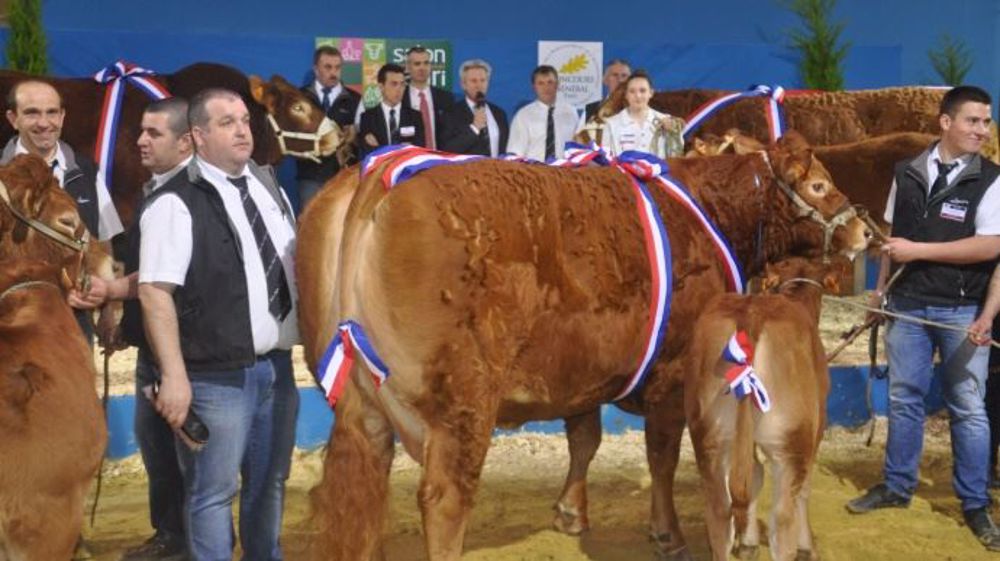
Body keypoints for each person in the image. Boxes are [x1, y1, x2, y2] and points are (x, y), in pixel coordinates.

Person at [138, 88, 300, 560]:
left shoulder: (269, 187)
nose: (242, 130)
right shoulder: (175, 201)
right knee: (212, 492)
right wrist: (173, 377)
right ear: (197, 136)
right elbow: (154, 292)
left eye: (245, 120)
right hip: (214, 378)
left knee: (269, 483)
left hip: (277, 368)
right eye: (227, 122)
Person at [849, 85, 1000, 551]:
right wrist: (879, 293)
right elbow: (895, 238)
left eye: (986, 121)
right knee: (904, 399)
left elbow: (991, 246)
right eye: (973, 120)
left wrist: (922, 251)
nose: (982, 130)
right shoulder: (907, 172)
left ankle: (975, 505)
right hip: (907, 307)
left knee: (968, 408)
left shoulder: (992, 178)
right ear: (945, 123)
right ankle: (897, 487)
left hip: (962, 310)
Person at [78, 98, 194, 561]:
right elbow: (150, 272)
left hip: (188, 351)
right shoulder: (152, 191)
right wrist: (110, 293)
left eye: (153, 133)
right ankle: (170, 536)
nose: (140, 141)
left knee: (194, 462)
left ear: (186, 140)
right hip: (152, 346)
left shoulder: (200, 194)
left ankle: (198, 543)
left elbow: (170, 281)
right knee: (159, 454)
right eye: (140, 132)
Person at [2, 79, 108, 342]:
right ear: (12, 118)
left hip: (73, 327)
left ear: (62, 116)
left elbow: (104, 242)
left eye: (51, 112)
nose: (44, 122)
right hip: (9, 328)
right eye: (32, 113)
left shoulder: (87, 172)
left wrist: (106, 305)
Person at [296, 45, 361, 209]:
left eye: (338, 67)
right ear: (316, 69)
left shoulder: (355, 100)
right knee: (310, 226)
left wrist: (354, 135)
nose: (334, 72)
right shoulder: (300, 98)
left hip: (343, 177)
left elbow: (364, 140)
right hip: (310, 177)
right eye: (328, 67)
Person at [600, 71, 684, 159]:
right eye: (632, 91)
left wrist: (673, 133)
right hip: (622, 172)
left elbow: (677, 155)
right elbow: (607, 160)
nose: (638, 96)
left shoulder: (666, 120)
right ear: (626, 95)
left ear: (651, 93)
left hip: (658, 172)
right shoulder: (611, 124)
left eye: (642, 91)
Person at [506, 65, 580, 161]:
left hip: (565, 172)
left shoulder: (571, 112)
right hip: (534, 173)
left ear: (557, 85)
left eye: (550, 82)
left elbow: (579, 148)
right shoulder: (523, 115)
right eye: (541, 83)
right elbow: (515, 152)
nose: (546, 87)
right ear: (534, 87)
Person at [440, 59, 508, 157]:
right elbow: (447, 149)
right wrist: (474, 128)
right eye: (473, 81)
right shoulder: (451, 114)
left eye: (483, 80)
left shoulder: (499, 113)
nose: (479, 85)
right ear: (463, 85)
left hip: (496, 170)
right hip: (466, 171)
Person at [358, 63, 425, 157]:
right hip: (380, 170)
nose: (399, 89)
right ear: (381, 87)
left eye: (402, 84)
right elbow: (368, 154)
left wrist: (381, 148)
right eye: (394, 84)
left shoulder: (415, 116)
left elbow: (418, 151)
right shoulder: (367, 118)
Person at [403, 45, 454, 151]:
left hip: (441, 161)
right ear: (407, 67)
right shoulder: (400, 98)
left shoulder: (446, 98)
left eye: (426, 63)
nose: (422, 68)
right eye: (417, 64)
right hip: (411, 161)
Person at [581, 58, 631, 124]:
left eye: (624, 76)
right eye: (615, 75)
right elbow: (580, 134)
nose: (620, 80)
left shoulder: (639, 108)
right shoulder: (591, 110)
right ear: (605, 79)